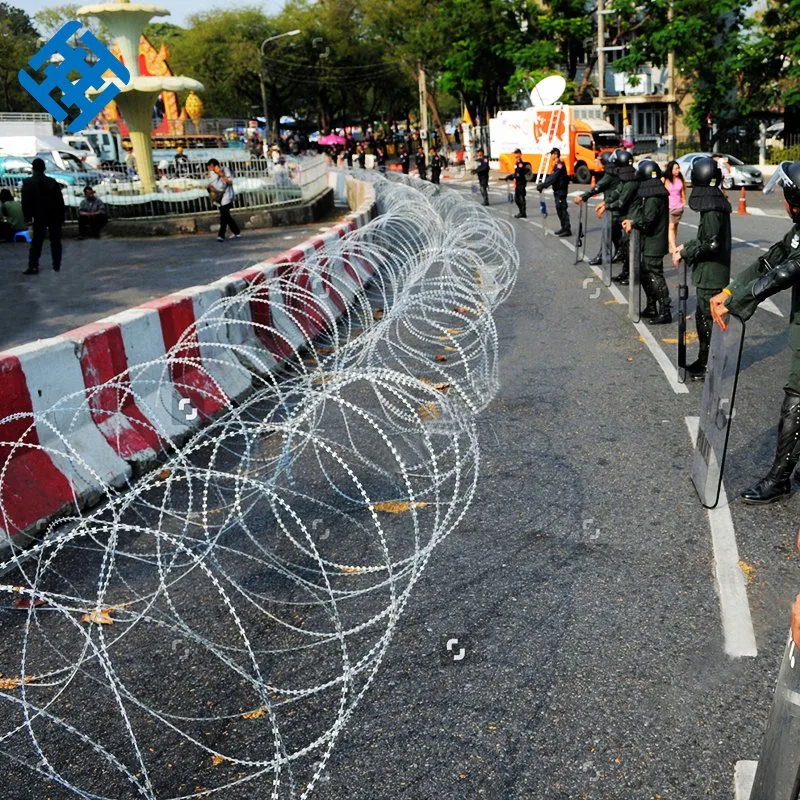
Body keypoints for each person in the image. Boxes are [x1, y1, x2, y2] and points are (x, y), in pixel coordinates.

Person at [709, 160, 800, 504]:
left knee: (796, 399)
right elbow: (769, 261)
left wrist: (739, 301)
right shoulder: (797, 231)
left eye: (787, 196)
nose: (784, 202)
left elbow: (782, 274)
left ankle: (779, 479)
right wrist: (731, 292)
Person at [672, 156, 731, 380]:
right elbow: (707, 238)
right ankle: (707, 360)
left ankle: (709, 364)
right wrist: (686, 246)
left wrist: (686, 252)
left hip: (712, 275)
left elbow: (712, 243)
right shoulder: (714, 204)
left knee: (707, 319)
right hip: (710, 272)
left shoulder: (713, 209)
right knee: (702, 318)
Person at [621, 159, 672, 324]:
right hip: (652, 240)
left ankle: (665, 310)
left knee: (655, 275)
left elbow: (648, 219)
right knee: (645, 274)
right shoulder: (655, 193)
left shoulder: (653, 197)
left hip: (654, 242)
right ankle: (651, 307)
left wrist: (633, 223)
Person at [597, 149, 638, 283]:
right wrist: (605, 202)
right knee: (625, 245)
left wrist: (607, 206)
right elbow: (616, 192)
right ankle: (626, 273)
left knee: (629, 247)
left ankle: (631, 275)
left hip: (633, 216)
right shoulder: (626, 179)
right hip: (627, 216)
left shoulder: (631, 181)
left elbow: (621, 201)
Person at [20, 157, 64, 275]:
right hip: (54, 215)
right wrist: (61, 216)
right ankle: (56, 265)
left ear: (33, 168)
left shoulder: (28, 183)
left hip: (39, 215)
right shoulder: (52, 182)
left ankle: (33, 265)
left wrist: (28, 217)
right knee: (55, 241)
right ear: (44, 168)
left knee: (36, 242)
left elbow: (25, 202)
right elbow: (60, 201)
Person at [575, 151, 619, 265]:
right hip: (613, 206)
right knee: (615, 233)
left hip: (612, 208)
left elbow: (598, 188)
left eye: (599, 160)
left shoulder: (610, 175)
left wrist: (583, 197)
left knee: (607, 231)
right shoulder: (612, 172)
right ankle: (621, 253)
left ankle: (602, 256)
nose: (596, 162)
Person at [537, 147, 571, 236]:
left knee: (562, 209)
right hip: (557, 191)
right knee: (559, 209)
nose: (551, 156)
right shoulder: (556, 165)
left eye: (552, 154)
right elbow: (552, 177)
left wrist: (543, 185)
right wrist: (543, 184)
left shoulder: (560, 165)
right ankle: (563, 227)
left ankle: (567, 229)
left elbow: (554, 177)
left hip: (561, 191)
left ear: (555, 154)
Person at [206, 158, 241, 242]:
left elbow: (229, 182)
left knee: (224, 216)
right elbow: (213, 183)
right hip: (218, 197)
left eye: (211, 167)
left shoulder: (225, 170)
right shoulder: (211, 173)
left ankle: (221, 235)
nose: (209, 169)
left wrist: (221, 174)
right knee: (226, 216)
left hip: (226, 196)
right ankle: (236, 231)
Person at [662, 160, 686, 255]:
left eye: (678, 168)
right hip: (669, 207)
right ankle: (673, 247)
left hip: (679, 207)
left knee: (675, 226)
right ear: (670, 169)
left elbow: (683, 192)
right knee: (671, 227)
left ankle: (671, 244)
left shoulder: (680, 179)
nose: (678, 170)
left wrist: (684, 202)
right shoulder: (665, 179)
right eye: (675, 169)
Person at [504, 148, 528, 219]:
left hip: (521, 182)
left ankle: (523, 212)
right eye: (515, 153)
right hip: (518, 182)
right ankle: (521, 212)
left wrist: (510, 176)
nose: (515, 155)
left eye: (517, 153)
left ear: (520, 154)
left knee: (520, 197)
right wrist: (511, 177)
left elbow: (518, 174)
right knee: (517, 198)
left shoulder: (520, 163)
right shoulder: (517, 162)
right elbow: (516, 174)